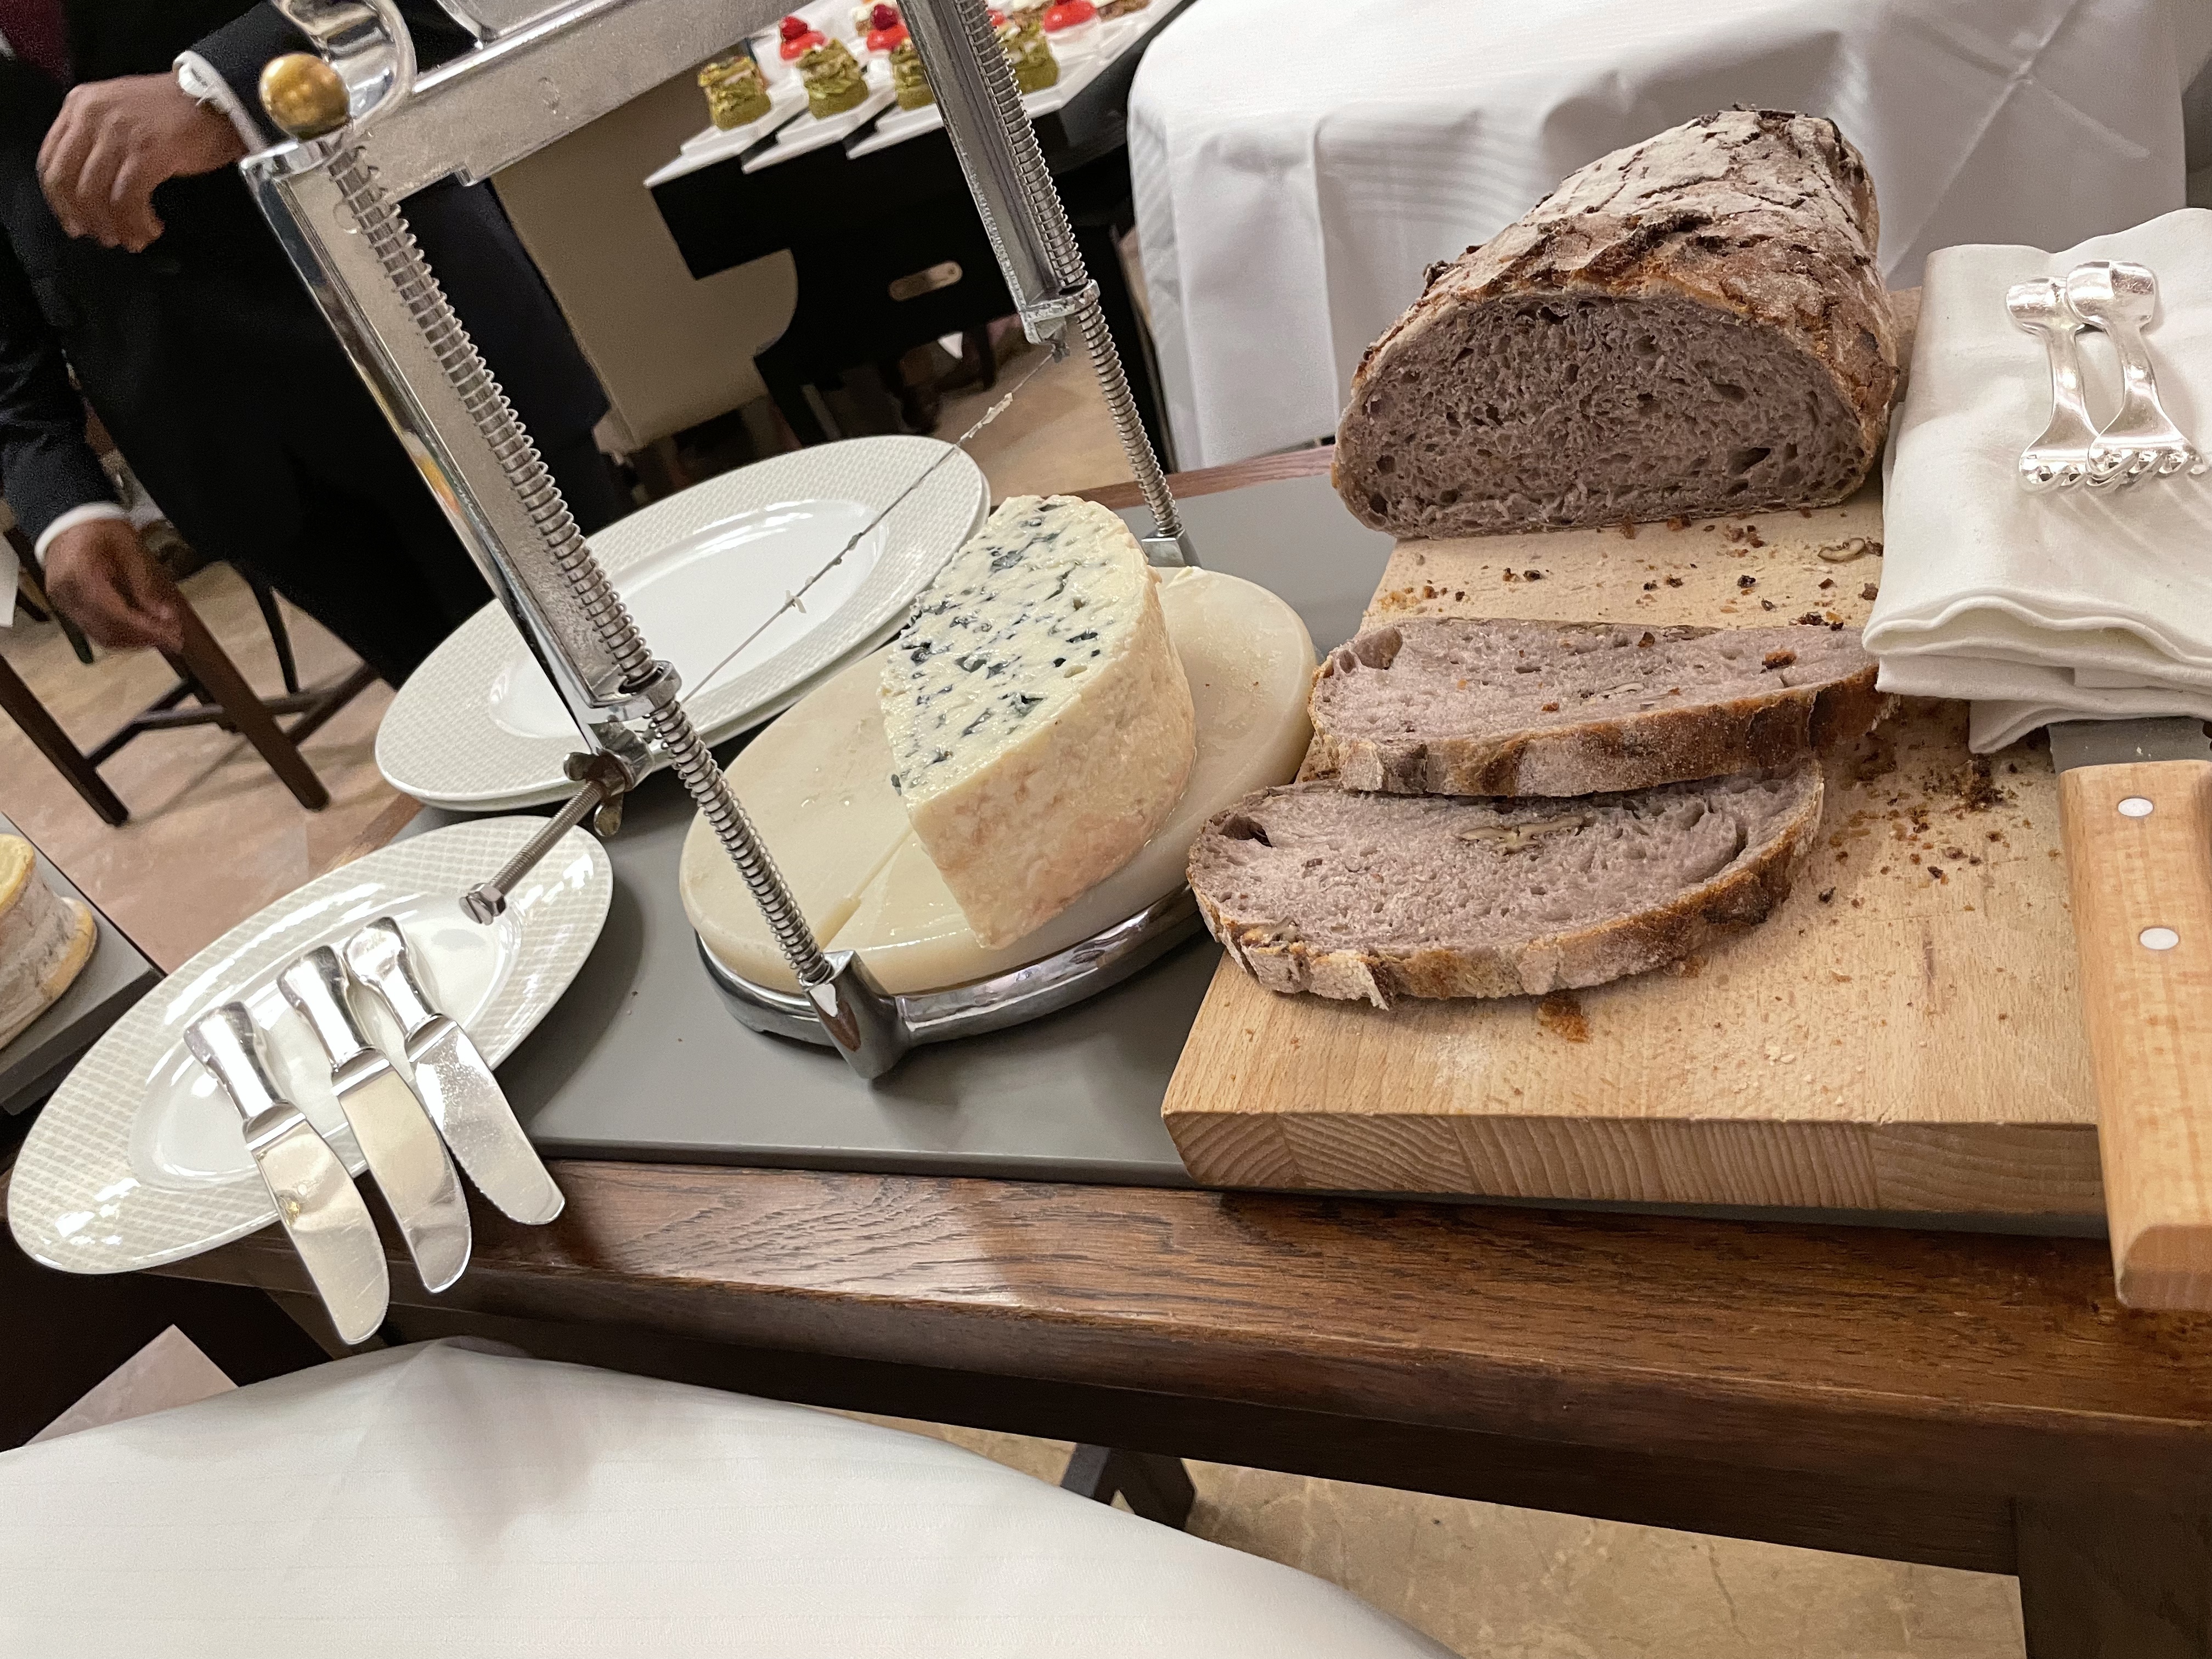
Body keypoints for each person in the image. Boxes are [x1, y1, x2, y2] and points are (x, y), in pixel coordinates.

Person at [0, 0, 627, 686]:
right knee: (464, 722)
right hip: (225, 458)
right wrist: (59, 496)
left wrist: (229, 90)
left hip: (429, 339)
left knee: (639, 677)